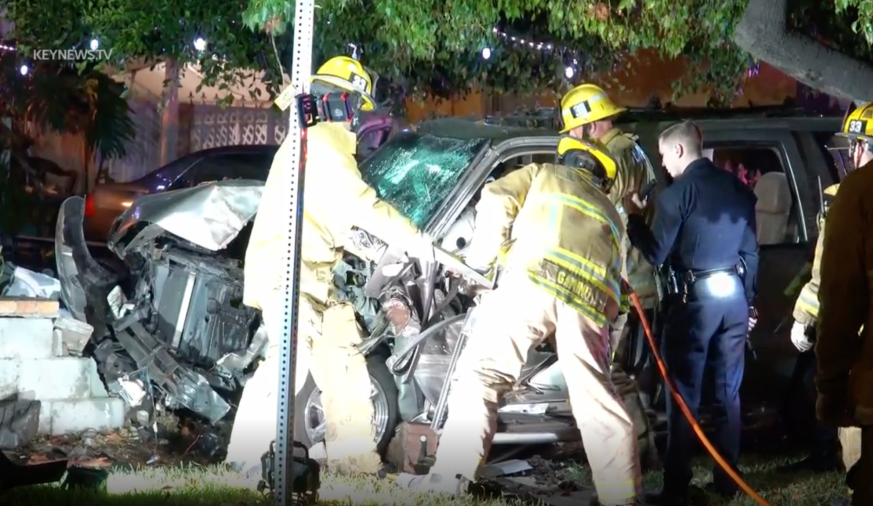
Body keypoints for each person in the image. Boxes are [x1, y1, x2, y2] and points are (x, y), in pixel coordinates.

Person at [399, 136, 641, 506]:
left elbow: (496, 199)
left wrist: (484, 260)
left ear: (568, 159)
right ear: (603, 179)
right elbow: (617, 288)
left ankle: (449, 480)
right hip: (589, 306)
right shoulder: (610, 212)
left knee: (482, 376)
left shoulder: (543, 173)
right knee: (596, 400)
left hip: (532, 283)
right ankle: (623, 498)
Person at [225, 55, 433, 478]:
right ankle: (240, 465)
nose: (358, 119)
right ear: (342, 103)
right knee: (288, 368)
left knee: (345, 367)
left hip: (315, 278)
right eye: (357, 106)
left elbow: (334, 216)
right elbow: (362, 205)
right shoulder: (323, 143)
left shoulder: (314, 141)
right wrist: (418, 241)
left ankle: (355, 469)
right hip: (289, 275)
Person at [623, 121, 759, 505]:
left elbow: (655, 254)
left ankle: (677, 485)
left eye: (664, 156)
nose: (663, 165)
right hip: (732, 298)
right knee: (728, 391)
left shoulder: (677, 195)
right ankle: (728, 478)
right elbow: (751, 253)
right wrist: (748, 301)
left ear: (680, 151)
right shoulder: (739, 190)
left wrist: (633, 217)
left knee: (683, 395)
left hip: (692, 303)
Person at [559, 83, 660, 467]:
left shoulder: (614, 157)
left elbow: (600, 216)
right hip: (634, 277)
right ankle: (635, 448)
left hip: (623, 280)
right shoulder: (633, 149)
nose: (571, 139)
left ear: (592, 126)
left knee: (612, 371)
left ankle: (638, 452)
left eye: (574, 130)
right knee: (619, 370)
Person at [816, 101, 873, 506]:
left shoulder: (860, 193)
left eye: (854, 146)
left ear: (864, 148)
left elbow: (838, 301)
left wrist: (831, 387)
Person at [776, 180, 841, 475]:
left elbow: (824, 270)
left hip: (844, 316)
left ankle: (828, 455)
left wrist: (804, 318)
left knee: (817, 382)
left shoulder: (848, 195)